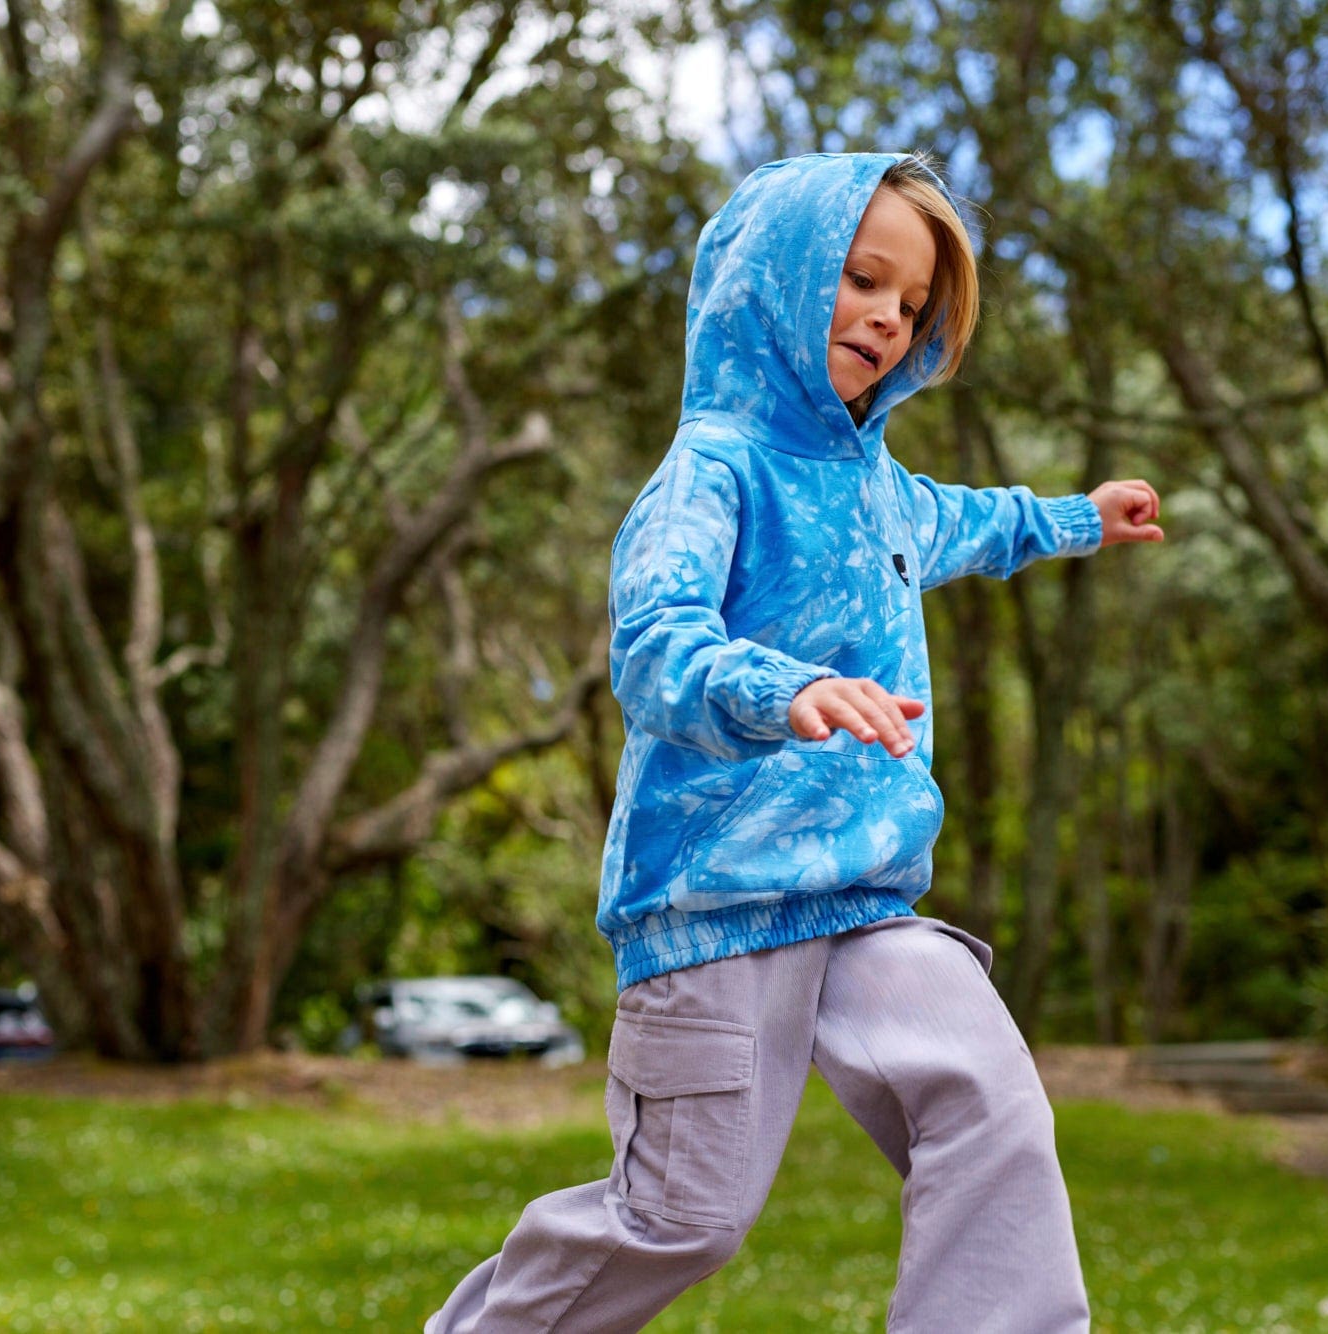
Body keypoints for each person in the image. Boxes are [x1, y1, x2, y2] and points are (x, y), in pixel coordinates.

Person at [425, 151, 1162, 1334]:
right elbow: (655, 647)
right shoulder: (710, 469)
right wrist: (786, 691)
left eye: (910, 305)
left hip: (864, 897)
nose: (886, 315)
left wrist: (1080, 516)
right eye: (862, 279)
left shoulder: (876, 485)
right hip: (714, 900)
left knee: (993, 1103)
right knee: (684, 1215)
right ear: (772, 280)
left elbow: (972, 521)